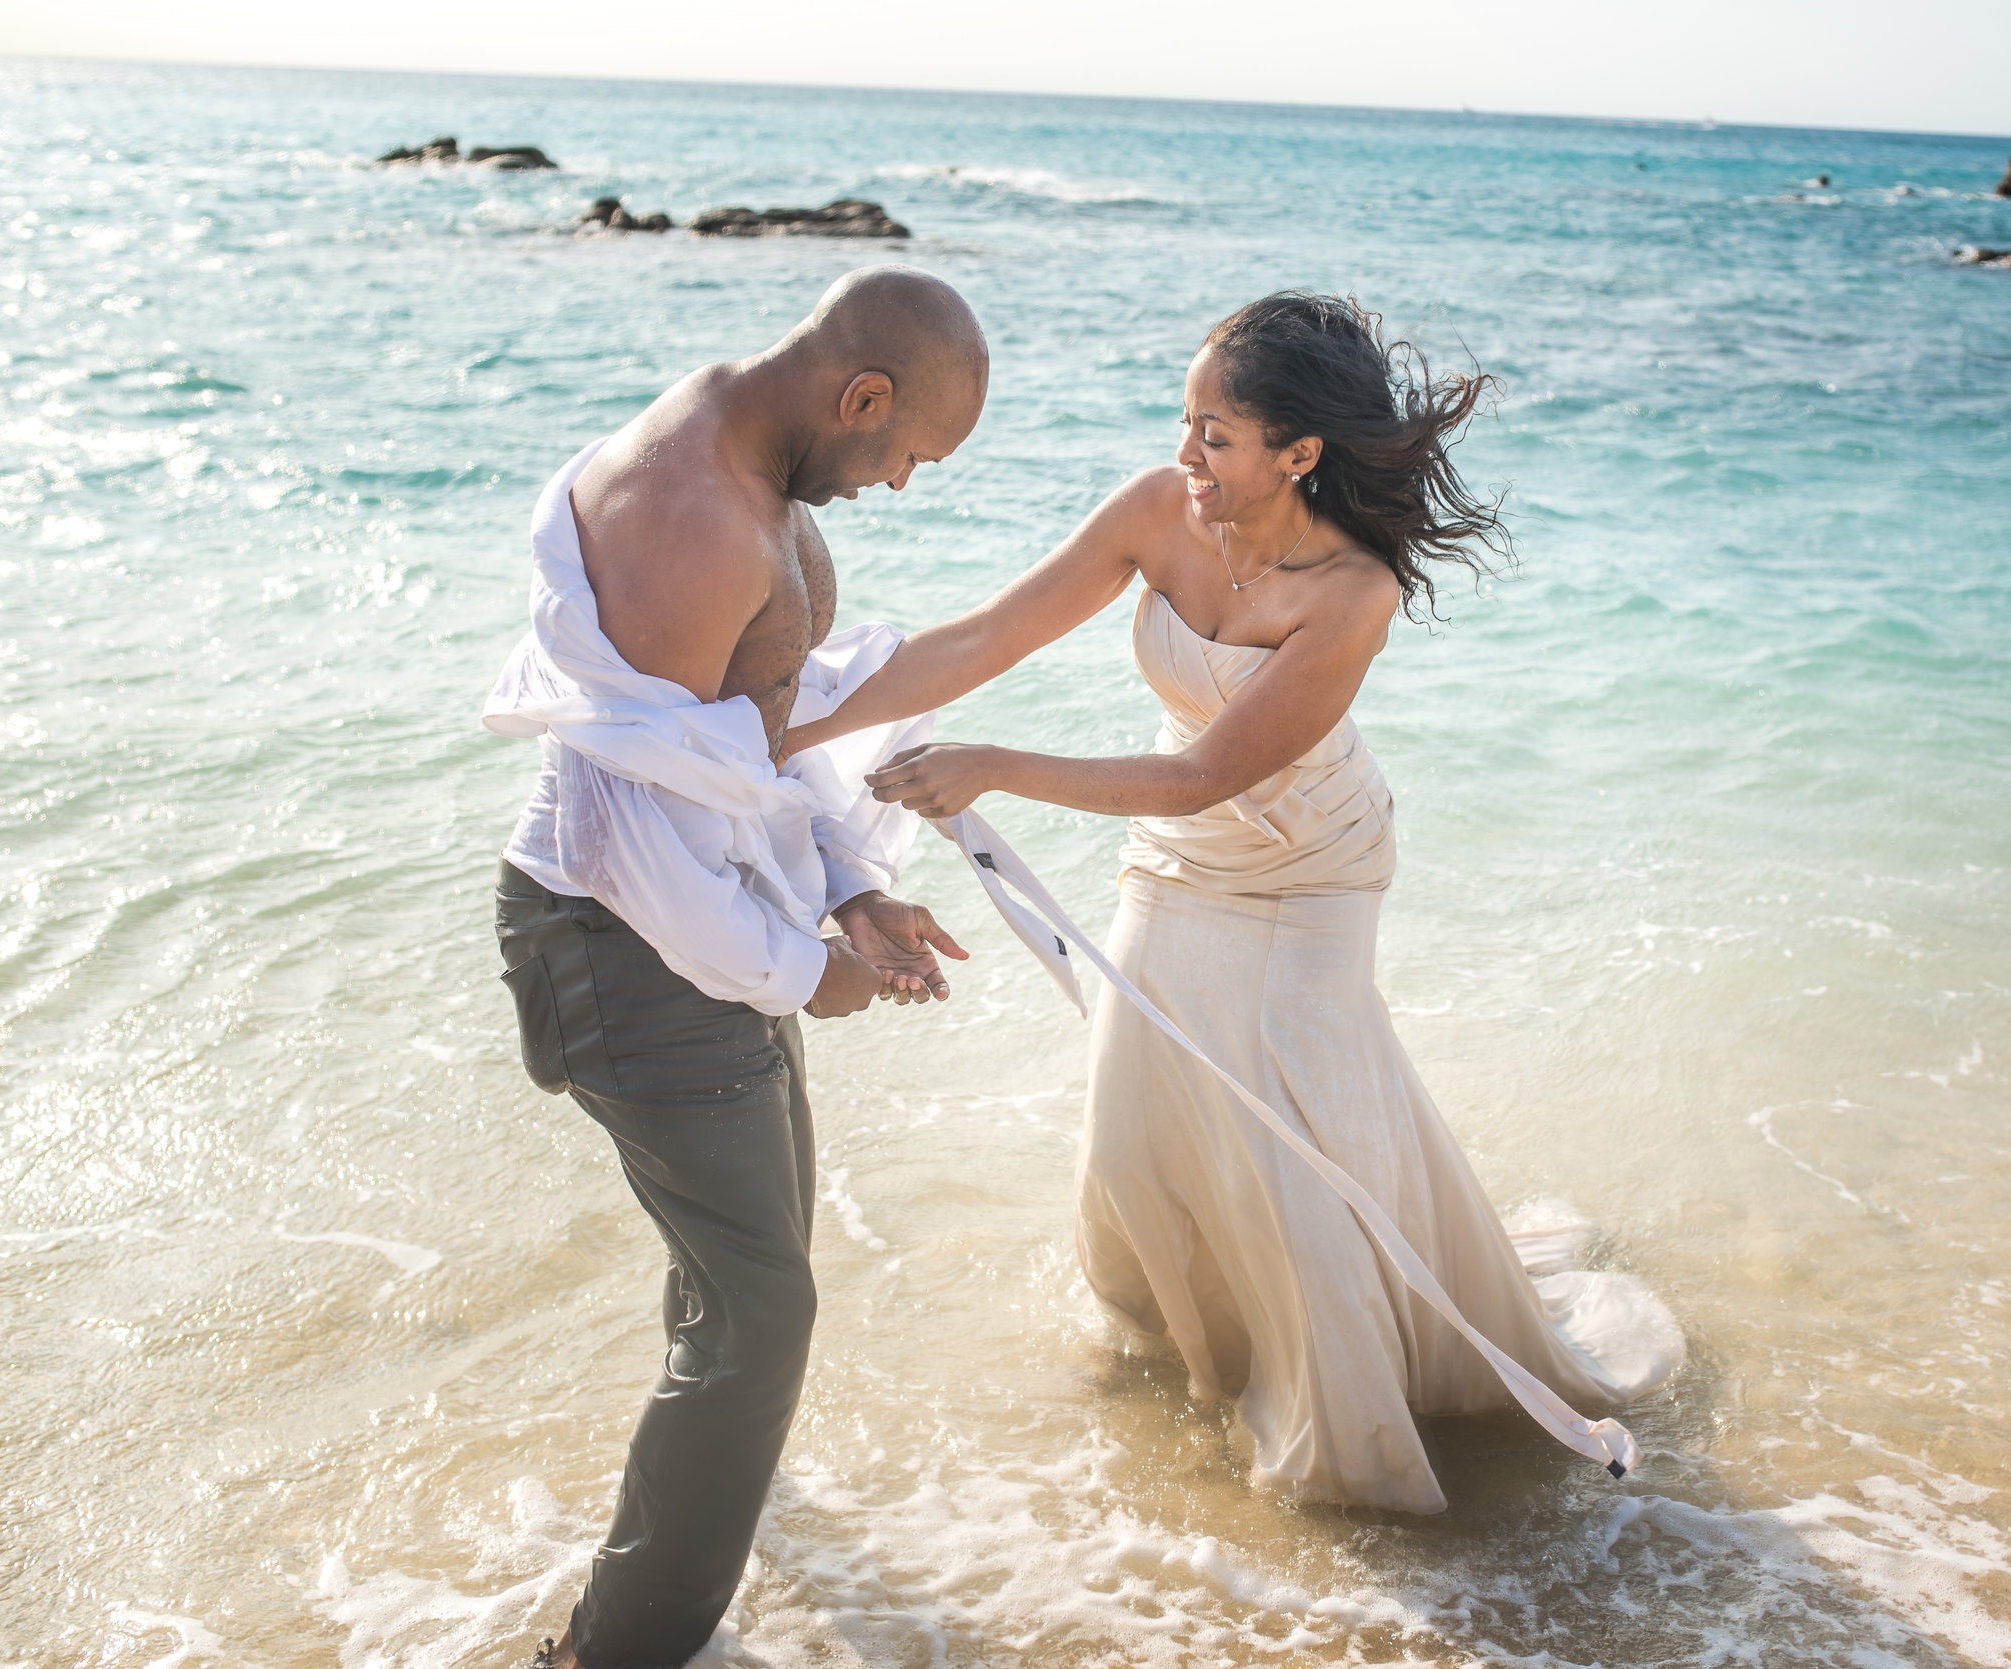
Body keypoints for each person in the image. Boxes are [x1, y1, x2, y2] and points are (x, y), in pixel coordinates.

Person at [784, 292, 1683, 1516]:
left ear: (1297, 453)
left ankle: (1344, 1432)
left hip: (1310, 866)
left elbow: (1210, 770)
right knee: (1132, 1126)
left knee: (1294, 1143)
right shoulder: (1159, 511)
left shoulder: (1350, 594)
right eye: (1183, 420)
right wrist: (775, 730)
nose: (1185, 453)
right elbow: (984, 638)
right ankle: (1178, 1357)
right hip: (1180, 857)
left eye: (1215, 432)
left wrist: (991, 766)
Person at [483, 267, 985, 1667]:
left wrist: (850, 884)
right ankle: (613, 1648)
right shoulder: (691, 519)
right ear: (862, 396)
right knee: (763, 1312)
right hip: (616, 940)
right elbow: (626, 834)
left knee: (745, 1277)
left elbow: (752, 740)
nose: (897, 484)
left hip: (708, 924)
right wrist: (805, 969)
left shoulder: (761, 464)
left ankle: (700, 1506)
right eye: (905, 455)